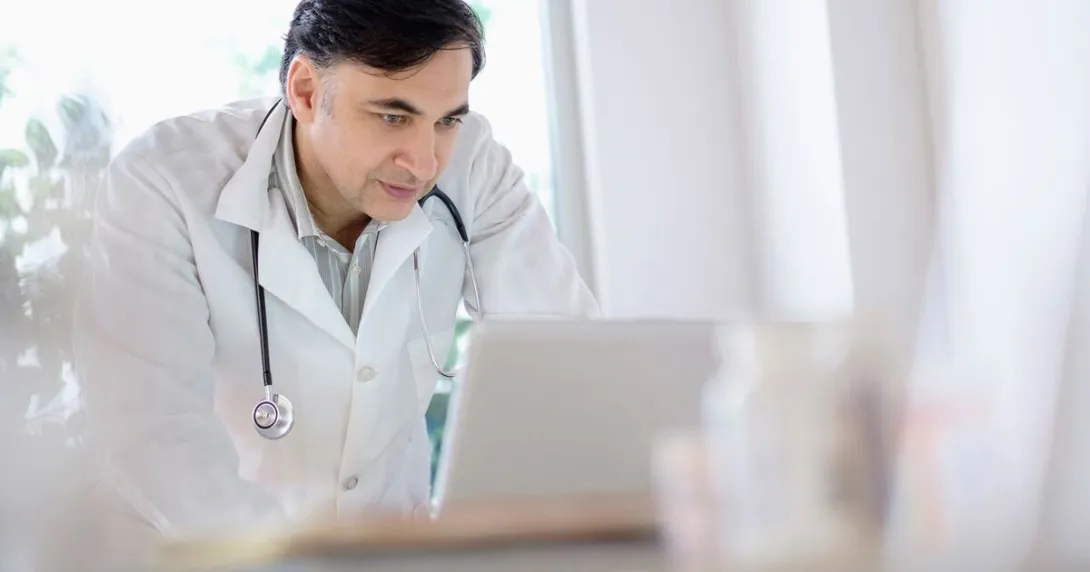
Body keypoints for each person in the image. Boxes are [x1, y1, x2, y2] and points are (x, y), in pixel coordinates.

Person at [71, 0, 597, 561]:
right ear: (304, 92)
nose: (422, 162)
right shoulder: (164, 180)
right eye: (393, 116)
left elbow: (568, 365)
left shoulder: (475, 166)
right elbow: (153, 437)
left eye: (447, 120)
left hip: (394, 547)